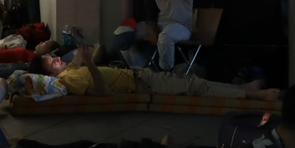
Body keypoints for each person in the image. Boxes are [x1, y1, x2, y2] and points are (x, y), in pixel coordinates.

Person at [29, 45, 280, 100]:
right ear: (50, 74)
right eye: (52, 62)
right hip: (140, 84)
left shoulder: (70, 69)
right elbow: (103, 93)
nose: (58, 60)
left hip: (138, 75)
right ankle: (254, 95)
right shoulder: (69, 79)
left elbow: (94, 53)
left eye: (54, 57)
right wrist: (92, 66)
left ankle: (241, 90)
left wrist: (85, 52)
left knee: (192, 82)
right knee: (194, 87)